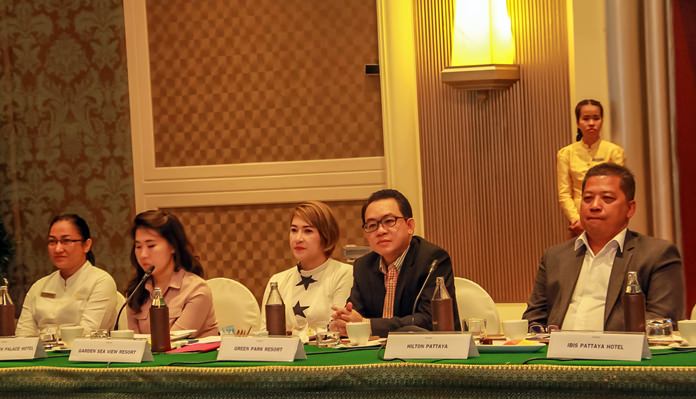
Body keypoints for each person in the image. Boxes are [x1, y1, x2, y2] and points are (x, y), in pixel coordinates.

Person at [524, 163, 684, 332]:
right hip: (556, 355)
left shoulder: (657, 254)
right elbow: (534, 319)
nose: (594, 206)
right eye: (587, 199)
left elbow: (662, 321)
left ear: (630, 208)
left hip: (621, 356)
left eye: (607, 198)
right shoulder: (555, 256)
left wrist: (599, 344)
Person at [330, 189, 460, 337]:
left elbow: (431, 320)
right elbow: (356, 314)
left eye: (389, 221)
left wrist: (368, 325)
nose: (380, 231)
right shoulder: (363, 266)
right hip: (377, 353)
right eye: (372, 225)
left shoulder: (433, 260)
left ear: (410, 226)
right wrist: (344, 320)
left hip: (428, 351)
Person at [260, 201, 353, 336]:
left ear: (326, 235)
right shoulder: (277, 281)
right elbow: (265, 333)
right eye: (293, 230)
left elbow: (337, 329)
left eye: (308, 231)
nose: (298, 238)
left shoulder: (344, 274)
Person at [15, 214, 117, 337]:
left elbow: (87, 334)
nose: (58, 249)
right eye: (52, 241)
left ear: (86, 245)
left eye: (66, 241)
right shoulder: (39, 286)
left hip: (81, 355)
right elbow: (23, 335)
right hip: (39, 354)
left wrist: (45, 338)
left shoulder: (101, 281)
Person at [126, 210, 218, 338]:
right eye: (138, 247)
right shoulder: (136, 291)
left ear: (173, 246)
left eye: (151, 245)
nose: (143, 255)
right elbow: (134, 344)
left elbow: (172, 343)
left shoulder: (197, 290)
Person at [557, 99, 625, 236]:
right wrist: (576, 219)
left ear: (602, 120)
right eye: (586, 119)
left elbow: (618, 190)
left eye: (596, 118)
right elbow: (564, 193)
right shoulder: (566, 153)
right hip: (579, 221)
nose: (591, 123)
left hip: (608, 219)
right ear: (578, 122)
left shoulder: (614, 151)